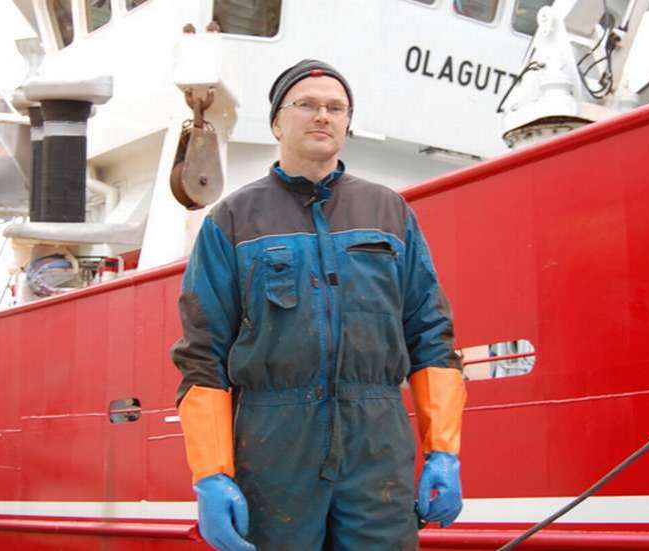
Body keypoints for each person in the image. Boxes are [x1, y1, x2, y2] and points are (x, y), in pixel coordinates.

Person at [171, 59, 466, 551]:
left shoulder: (389, 213)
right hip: (273, 452)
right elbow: (203, 354)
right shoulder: (232, 220)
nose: (323, 116)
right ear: (276, 123)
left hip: (376, 448)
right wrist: (211, 473)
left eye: (336, 108)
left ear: (347, 123)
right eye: (307, 104)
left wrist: (443, 451)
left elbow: (430, 335)